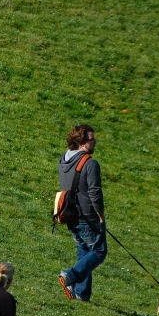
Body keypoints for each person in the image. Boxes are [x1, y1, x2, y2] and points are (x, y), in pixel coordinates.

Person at [57, 124, 106, 302]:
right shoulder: (90, 163)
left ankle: (81, 294)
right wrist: (100, 214)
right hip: (88, 216)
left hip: (70, 215)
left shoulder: (63, 160)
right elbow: (95, 193)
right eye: (92, 139)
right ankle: (70, 276)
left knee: (84, 252)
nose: (94, 142)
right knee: (99, 251)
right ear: (82, 142)